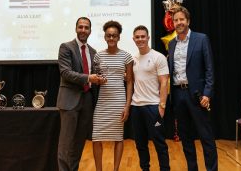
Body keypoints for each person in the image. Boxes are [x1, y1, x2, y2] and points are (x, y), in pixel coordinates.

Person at [168, 6, 218, 171]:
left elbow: (210, 68)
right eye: (176, 20)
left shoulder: (201, 39)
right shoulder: (171, 44)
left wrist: (207, 93)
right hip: (177, 94)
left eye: (181, 19)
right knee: (186, 137)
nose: (179, 22)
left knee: (206, 137)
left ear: (188, 21)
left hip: (197, 95)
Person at [56, 17, 105, 171]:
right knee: (66, 144)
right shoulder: (66, 47)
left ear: (90, 30)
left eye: (86, 27)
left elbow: (96, 73)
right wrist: (89, 78)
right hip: (69, 100)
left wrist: (102, 77)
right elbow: (65, 73)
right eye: (80, 27)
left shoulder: (93, 51)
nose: (83, 30)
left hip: (87, 100)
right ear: (76, 28)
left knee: (78, 143)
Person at [92, 20, 133, 171]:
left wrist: (127, 106)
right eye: (108, 35)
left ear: (119, 37)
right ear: (104, 37)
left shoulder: (126, 56)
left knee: (118, 137)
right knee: (96, 138)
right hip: (102, 101)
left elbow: (129, 82)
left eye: (114, 36)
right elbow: (96, 78)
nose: (111, 38)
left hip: (119, 101)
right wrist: (98, 80)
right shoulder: (98, 56)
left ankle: (115, 169)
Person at [131, 25, 170, 171]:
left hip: (153, 107)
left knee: (159, 143)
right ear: (133, 39)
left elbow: (164, 82)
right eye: (137, 37)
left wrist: (162, 106)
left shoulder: (158, 57)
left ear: (148, 38)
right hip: (136, 107)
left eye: (143, 36)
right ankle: (145, 168)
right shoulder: (132, 59)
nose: (140, 39)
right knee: (140, 144)